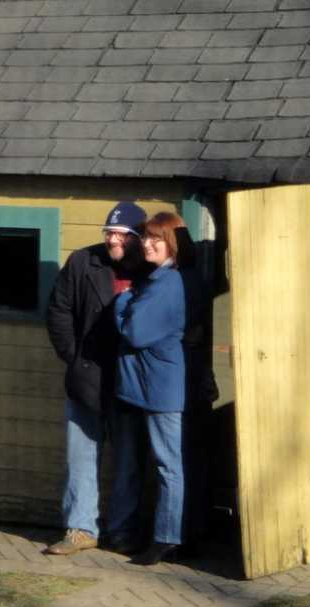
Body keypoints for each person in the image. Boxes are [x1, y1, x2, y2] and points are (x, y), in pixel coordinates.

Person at [44, 201, 147, 555]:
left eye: (120, 234)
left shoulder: (151, 268)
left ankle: (122, 530)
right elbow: (58, 311)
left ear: (136, 237)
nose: (112, 239)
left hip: (132, 378)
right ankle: (80, 529)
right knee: (81, 455)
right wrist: (74, 358)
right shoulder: (82, 262)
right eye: (109, 232)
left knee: (129, 457)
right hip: (87, 374)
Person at [109, 212, 194, 565]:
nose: (147, 243)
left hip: (159, 387)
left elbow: (134, 332)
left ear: (172, 243)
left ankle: (166, 538)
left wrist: (122, 301)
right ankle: (151, 534)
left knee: (167, 465)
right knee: (147, 463)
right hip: (143, 386)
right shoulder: (156, 280)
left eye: (156, 238)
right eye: (145, 237)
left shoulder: (167, 284)